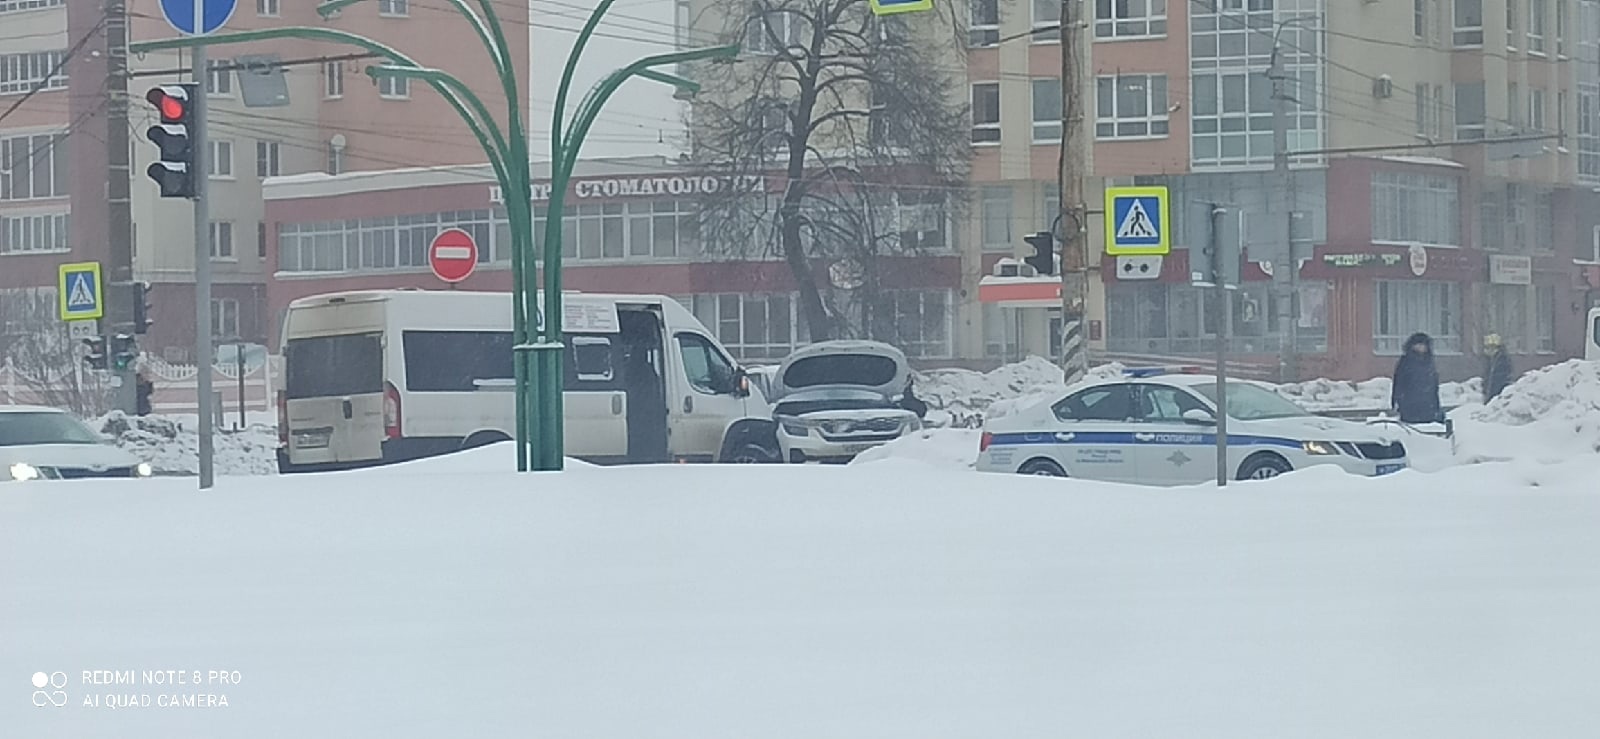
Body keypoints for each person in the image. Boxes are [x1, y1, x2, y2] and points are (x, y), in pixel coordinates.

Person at [1390, 332, 1441, 424]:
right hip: (1409, 404)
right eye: (1418, 344)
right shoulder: (1405, 361)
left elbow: (1434, 385)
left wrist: (1436, 405)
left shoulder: (1429, 362)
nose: (1421, 347)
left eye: (1423, 345)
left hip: (1428, 405)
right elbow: (1399, 382)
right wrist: (1396, 401)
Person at [1482, 333, 1514, 403]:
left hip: (1498, 394)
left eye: (1490, 347)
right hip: (1491, 394)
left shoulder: (1502, 360)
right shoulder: (1491, 360)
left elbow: (1500, 378)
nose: (1488, 350)